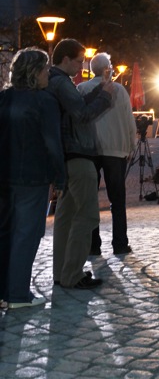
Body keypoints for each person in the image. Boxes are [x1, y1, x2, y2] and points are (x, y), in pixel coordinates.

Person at [46, 39, 114, 289]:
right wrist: (106, 97)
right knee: (86, 216)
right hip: (78, 155)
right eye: (78, 60)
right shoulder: (62, 83)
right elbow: (83, 114)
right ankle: (72, 274)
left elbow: (79, 106)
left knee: (65, 217)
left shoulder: (56, 82)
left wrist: (101, 88)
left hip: (67, 158)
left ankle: (61, 273)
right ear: (65, 59)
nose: (81, 66)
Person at [0, 48, 65, 309]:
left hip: (4, 177)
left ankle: (5, 292)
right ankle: (17, 295)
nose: (48, 72)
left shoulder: (3, 98)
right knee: (27, 235)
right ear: (35, 72)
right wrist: (59, 178)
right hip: (32, 177)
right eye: (46, 68)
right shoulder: (44, 101)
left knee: (5, 233)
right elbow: (52, 143)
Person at [77, 52, 136, 255]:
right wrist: (131, 145)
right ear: (106, 69)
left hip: (90, 150)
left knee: (90, 200)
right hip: (116, 150)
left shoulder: (82, 89)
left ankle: (94, 246)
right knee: (117, 200)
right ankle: (120, 244)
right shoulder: (119, 90)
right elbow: (130, 121)